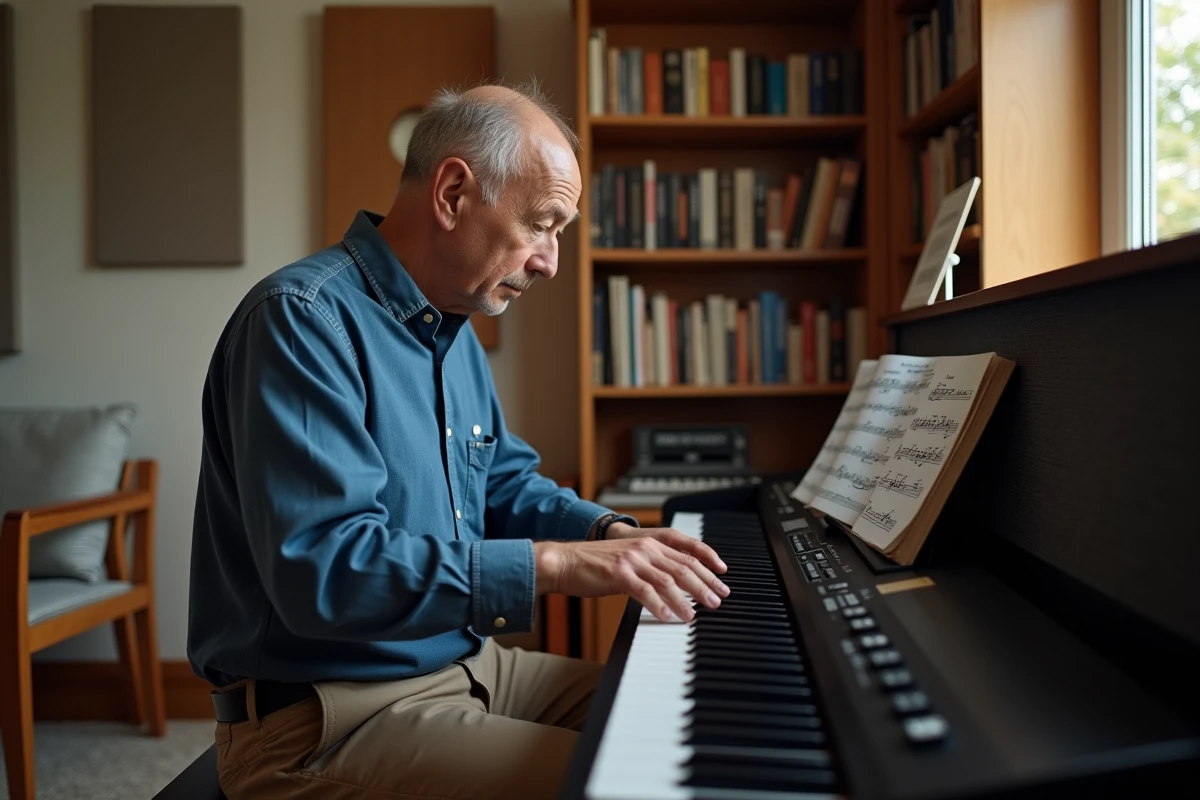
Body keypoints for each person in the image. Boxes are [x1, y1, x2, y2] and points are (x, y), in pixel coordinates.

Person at [187, 80, 730, 800]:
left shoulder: (452, 326)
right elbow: (326, 573)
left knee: (697, 721)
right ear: (452, 194)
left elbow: (502, 482)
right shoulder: (301, 321)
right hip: (326, 718)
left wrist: (613, 533)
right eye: (542, 224)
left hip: (469, 664)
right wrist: (561, 564)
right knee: (645, 784)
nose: (550, 261)